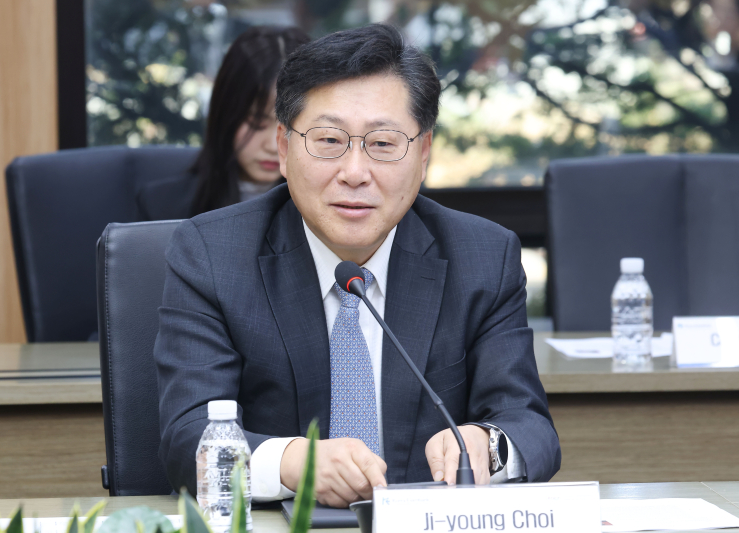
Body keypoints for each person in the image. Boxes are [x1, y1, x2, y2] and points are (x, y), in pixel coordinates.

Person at [155, 24, 560, 508]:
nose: (354, 172)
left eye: (383, 143)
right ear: (284, 148)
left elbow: (529, 426)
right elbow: (188, 439)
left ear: (423, 154)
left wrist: (487, 445)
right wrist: (292, 463)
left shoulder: (483, 257)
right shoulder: (213, 254)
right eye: (328, 140)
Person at [136, 26, 310, 221]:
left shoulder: (327, 209)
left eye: (290, 127)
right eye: (256, 122)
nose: (272, 146)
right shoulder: (162, 206)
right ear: (226, 113)